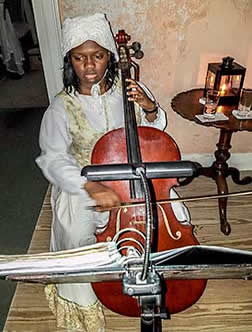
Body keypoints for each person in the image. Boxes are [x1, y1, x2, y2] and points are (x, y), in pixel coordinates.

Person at [36, 13, 190, 332]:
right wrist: (90, 188)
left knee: (172, 218)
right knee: (77, 232)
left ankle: (159, 279)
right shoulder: (61, 107)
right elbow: (52, 159)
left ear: (109, 55)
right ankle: (82, 306)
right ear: (70, 60)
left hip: (131, 175)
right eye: (80, 58)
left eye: (98, 56)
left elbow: (154, 133)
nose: (90, 65)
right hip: (82, 181)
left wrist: (148, 107)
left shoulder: (128, 88)